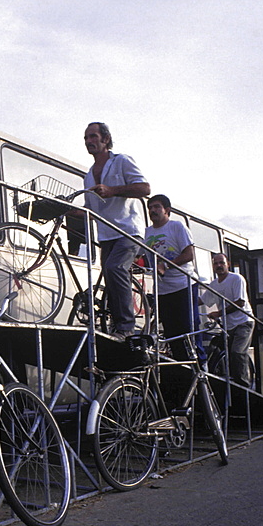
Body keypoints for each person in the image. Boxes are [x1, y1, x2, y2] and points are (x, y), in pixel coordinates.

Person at [81, 122, 150, 338]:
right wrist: (65, 210)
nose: (89, 141)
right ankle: (113, 324)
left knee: (114, 268)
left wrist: (113, 190)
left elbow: (144, 188)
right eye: (86, 138)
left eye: (93, 136)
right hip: (106, 234)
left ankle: (127, 327)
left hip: (129, 231)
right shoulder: (88, 176)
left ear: (106, 139)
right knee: (110, 276)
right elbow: (89, 210)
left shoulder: (121, 161)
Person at [144, 194, 196, 360]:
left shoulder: (177, 227)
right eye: (150, 208)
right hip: (162, 290)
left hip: (183, 286)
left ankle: (200, 370)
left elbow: (189, 254)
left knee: (188, 332)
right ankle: (182, 371)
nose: (153, 210)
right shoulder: (146, 233)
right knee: (171, 334)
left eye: (157, 207)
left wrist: (165, 265)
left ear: (167, 210)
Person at [205, 253, 254, 386]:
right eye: (216, 263)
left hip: (243, 322)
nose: (219, 266)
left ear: (228, 264)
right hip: (228, 326)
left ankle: (244, 386)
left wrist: (218, 313)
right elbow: (201, 300)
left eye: (222, 263)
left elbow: (240, 302)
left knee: (237, 352)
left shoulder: (236, 279)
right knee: (214, 348)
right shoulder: (214, 284)